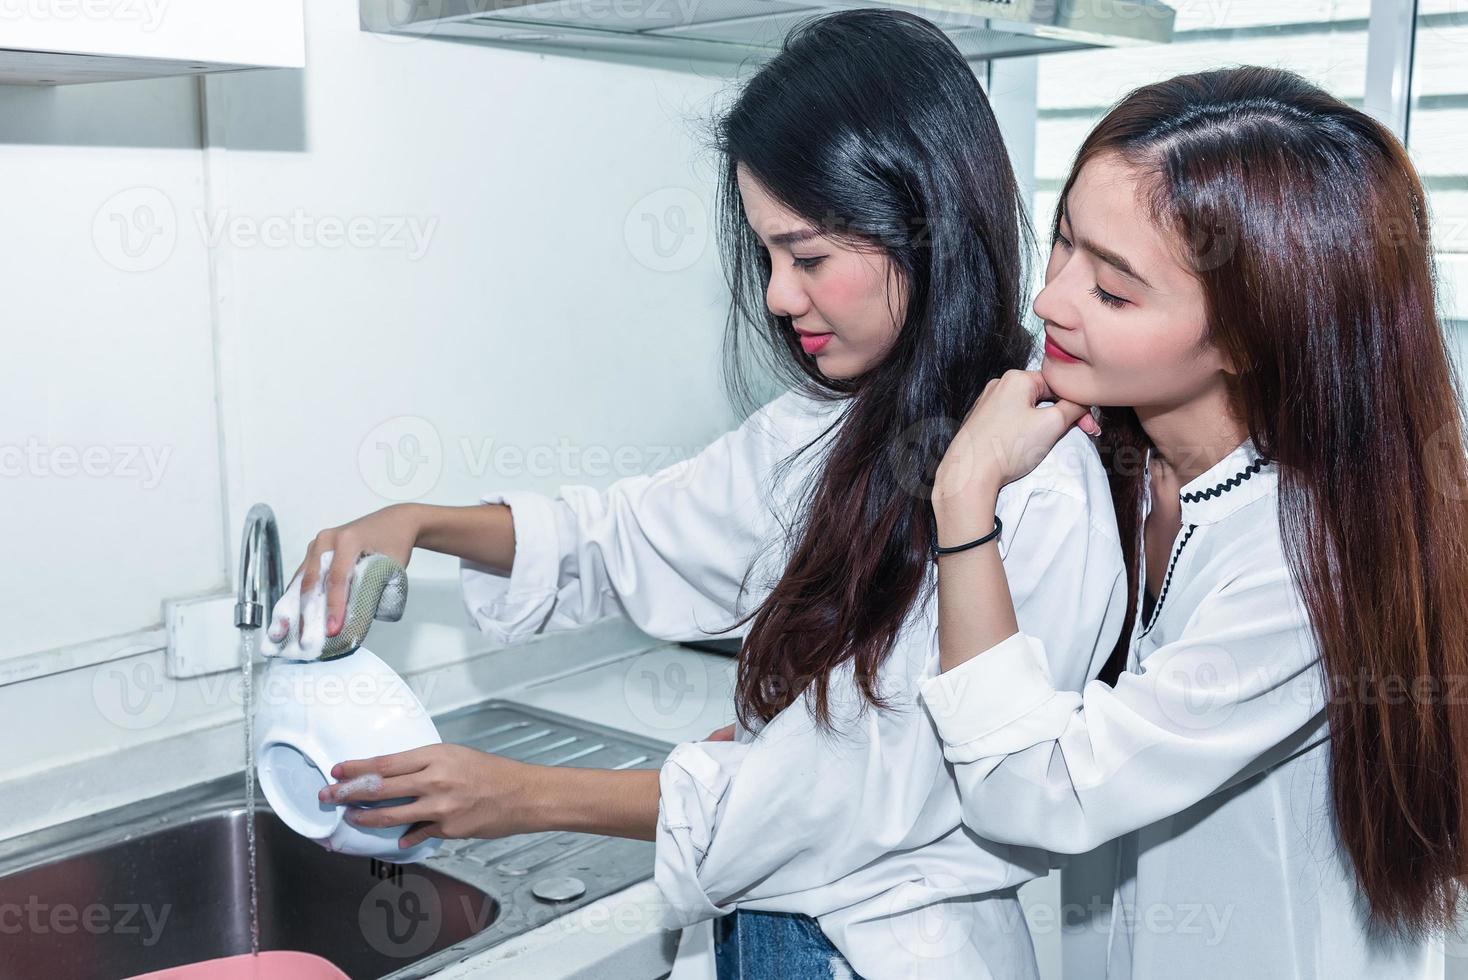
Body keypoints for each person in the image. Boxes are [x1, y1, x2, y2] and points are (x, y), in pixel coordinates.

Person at [274, 10, 1119, 979]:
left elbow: (844, 791)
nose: (775, 296)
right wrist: (421, 521)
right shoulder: (829, 426)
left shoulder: (1042, 489)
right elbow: (629, 532)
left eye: (807, 258)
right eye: (766, 256)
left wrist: (526, 794)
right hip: (767, 937)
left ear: (921, 229)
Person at [921, 66, 1468, 978]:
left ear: (1253, 334)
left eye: (1113, 290)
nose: (1050, 300)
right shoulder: (1114, 465)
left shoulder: (1304, 562)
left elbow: (1035, 792)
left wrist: (962, 499)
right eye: (1064, 245)